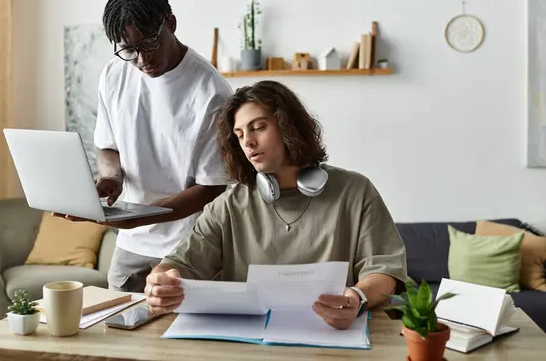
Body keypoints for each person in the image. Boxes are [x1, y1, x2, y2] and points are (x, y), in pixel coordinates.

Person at [143, 80, 407, 331]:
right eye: (239, 134)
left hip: (332, 336)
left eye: (258, 127)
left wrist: (357, 298)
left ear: (288, 125)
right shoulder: (229, 205)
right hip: (247, 344)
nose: (248, 142)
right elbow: (180, 264)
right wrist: (160, 280)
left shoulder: (355, 191)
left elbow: (385, 270)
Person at [59, 0, 232, 293]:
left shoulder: (211, 92)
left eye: (149, 43)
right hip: (132, 241)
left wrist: (139, 217)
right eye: (128, 49)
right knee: (115, 331)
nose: (141, 59)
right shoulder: (114, 73)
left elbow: (211, 187)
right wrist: (112, 177)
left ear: (171, 23)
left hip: (189, 242)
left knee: (178, 336)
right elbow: (108, 146)